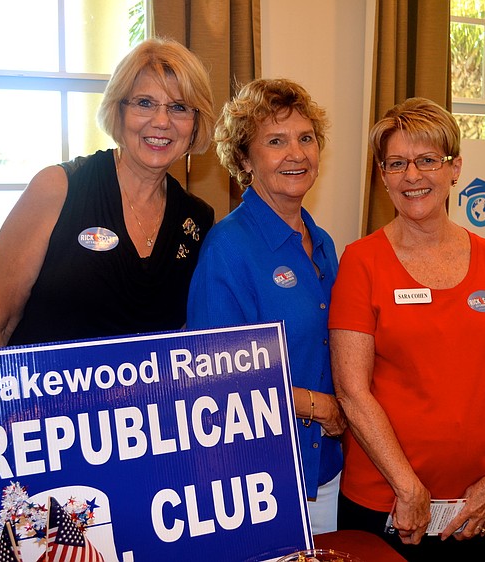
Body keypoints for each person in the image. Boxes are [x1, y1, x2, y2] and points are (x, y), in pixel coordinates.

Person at [328, 97, 485, 560]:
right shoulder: (362, 263)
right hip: (385, 501)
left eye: (427, 161)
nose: (412, 176)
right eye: (397, 163)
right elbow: (352, 392)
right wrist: (409, 488)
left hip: (474, 501)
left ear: (455, 168)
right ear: (383, 176)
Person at [0, 38, 216, 348]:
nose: (162, 121)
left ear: (195, 124)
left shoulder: (197, 220)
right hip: (43, 394)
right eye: (144, 103)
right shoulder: (57, 189)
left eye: (179, 107)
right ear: (119, 110)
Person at [186, 78, 346, 534]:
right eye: (276, 141)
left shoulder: (322, 243)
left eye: (306, 138)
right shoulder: (228, 249)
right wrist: (319, 407)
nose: (296, 153)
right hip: (260, 477)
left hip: (327, 467)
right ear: (243, 159)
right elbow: (214, 378)